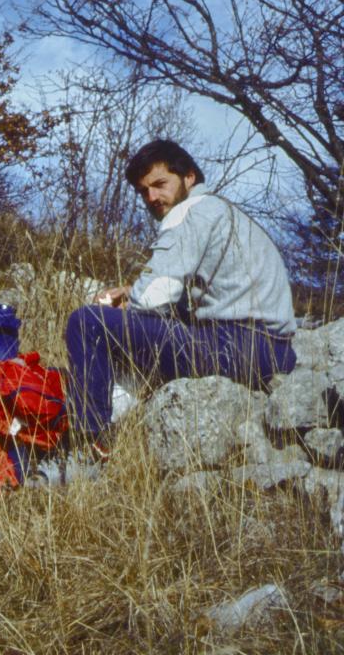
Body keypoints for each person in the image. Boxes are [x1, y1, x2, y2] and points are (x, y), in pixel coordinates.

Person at [65, 139, 297, 453]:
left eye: (160, 184)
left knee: (87, 322)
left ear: (189, 177)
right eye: (143, 191)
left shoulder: (189, 212)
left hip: (238, 345)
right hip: (277, 351)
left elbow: (154, 295)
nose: (152, 197)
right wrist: (134, 293)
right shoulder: (222, 210)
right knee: (155, 325)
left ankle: (87, 441)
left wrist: (127, 301)